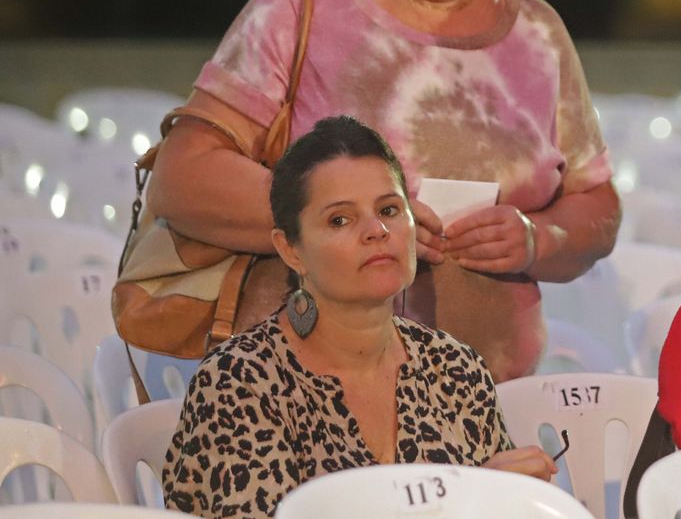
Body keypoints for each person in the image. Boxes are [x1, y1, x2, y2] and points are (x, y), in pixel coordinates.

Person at [145, 0, 619, 382]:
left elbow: (595, 202)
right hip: (307, 395)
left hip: (491, 405)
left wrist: (537, 238)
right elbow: (181, 178)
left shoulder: (538, 32)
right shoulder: (295, 6)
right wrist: (350, 217)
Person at [163, 116, 557, 517]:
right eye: (340, 219)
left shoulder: (456, 369)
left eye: (389, 209)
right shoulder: (240, 382)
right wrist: (469, 500)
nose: (376, 230)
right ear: (291, 250)